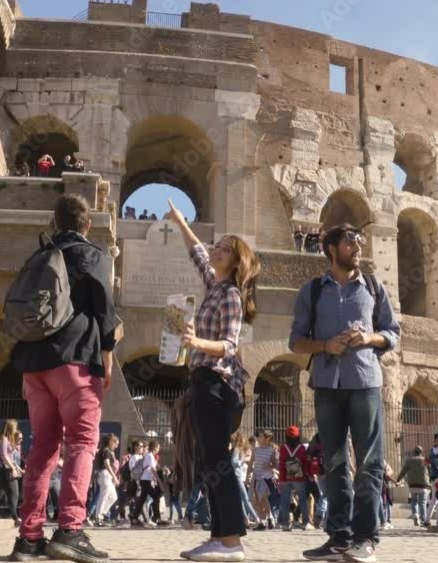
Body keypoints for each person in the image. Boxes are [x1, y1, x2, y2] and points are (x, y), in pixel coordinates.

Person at [8, 193, 119, 563]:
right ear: (87, 224)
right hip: (76, 361)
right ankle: (70, 530)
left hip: (33, 363)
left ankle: (29, 539)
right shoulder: (93, 255)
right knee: (83, 442)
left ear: (55, 224)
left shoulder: (37, 256)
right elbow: (105, 311)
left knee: (42, 446)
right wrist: (107, 353)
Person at [290, 223, 400, 563]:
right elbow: (295, 341)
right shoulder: (311, 291)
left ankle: (366, 538)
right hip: (326, 384)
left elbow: (392, 333)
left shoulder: (373, 287)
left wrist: (369, 339)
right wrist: (326, 344)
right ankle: (339, 538)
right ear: (332, 249)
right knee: (333, 462)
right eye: (351, 241)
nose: (359, 246)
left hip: (365, 381)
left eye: (360, 240)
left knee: (369, 462)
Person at [165, 198, 260, 562]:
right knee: (209, 461)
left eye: (223, 249)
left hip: (218, 383)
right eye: (217, 246)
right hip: (203, 380)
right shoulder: (214, 286)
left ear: (236, 261)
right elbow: (196, 253)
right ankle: (220, 536)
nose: (215, 250)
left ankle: (232, 540)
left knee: (217, 460)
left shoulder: (232, 295)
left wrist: (194, 342)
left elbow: (229, 345)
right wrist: (178, 221)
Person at [278, 425, 311, 531]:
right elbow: (305, 464)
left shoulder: (283, 448)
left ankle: (285, 524)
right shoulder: (301, 448)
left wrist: (281, 479)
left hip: (285, 478)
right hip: (299, 478)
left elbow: (281, 464)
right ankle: (305, 522)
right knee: (302, 500)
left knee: (284, 501)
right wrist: (307, 475)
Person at [0, 421, 24, 524]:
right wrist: (13, 468)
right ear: (11, 428)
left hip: (5, 469)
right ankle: (15, 518)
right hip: (4, 470)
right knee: (13, 494)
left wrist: (18, 468)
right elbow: (4, 455)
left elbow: (11, 458)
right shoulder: (4, 439)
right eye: (15, 427)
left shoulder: (10, 440)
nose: (16, 429)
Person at [250, 431, 278, 531]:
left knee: (263, 499)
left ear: (267, 439)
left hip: (267, 478)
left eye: (261, 436)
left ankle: (270, 518)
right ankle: (263, 522)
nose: (259, 438)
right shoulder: (255, 450)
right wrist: (247, 478)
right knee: (258, 501)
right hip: (256, 478)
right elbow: (250, 464)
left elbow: (275, 464)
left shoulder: (272, 450)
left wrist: (269, 466)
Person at [397, 446, 431, 527]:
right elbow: (430, 470)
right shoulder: (425, 460)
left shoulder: (409, 460)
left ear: (414, 452)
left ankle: (415, 514)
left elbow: (403, 471)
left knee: (414, 501)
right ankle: (423, 520)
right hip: (423, 485)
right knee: (422, 502)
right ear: (421, 452)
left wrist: (398, 479)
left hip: (412, 485)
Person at [231, 432, 260, 527]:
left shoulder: (236, 449)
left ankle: (246, 519)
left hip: (236, 476)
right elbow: (234, 462)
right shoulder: (237, 450)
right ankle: (255, 518)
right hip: (237, 476)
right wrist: (242, 460)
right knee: (245, 498)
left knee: (241, 499)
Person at [92, 434, 120, 527]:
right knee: (103, 496)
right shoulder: (106, 451)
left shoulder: (108, 451)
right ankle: (98, 518)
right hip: (105, 474)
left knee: (113, 497)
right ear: (111, 442)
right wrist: (114, 477)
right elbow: (107, 464)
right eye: (115, 443)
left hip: (107, 475)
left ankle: (101, 514)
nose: (116, 446)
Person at [135, 441, 162, 526]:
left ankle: (134, 517)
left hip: (146, 480)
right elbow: (153, 469)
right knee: (156, 497)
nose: (159, 449)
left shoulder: (150, 456)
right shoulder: (150, 456)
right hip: (146, 480)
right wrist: (159, 481)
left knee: (142, 500)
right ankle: (157, 517)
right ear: (155, 447)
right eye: (158, 447)